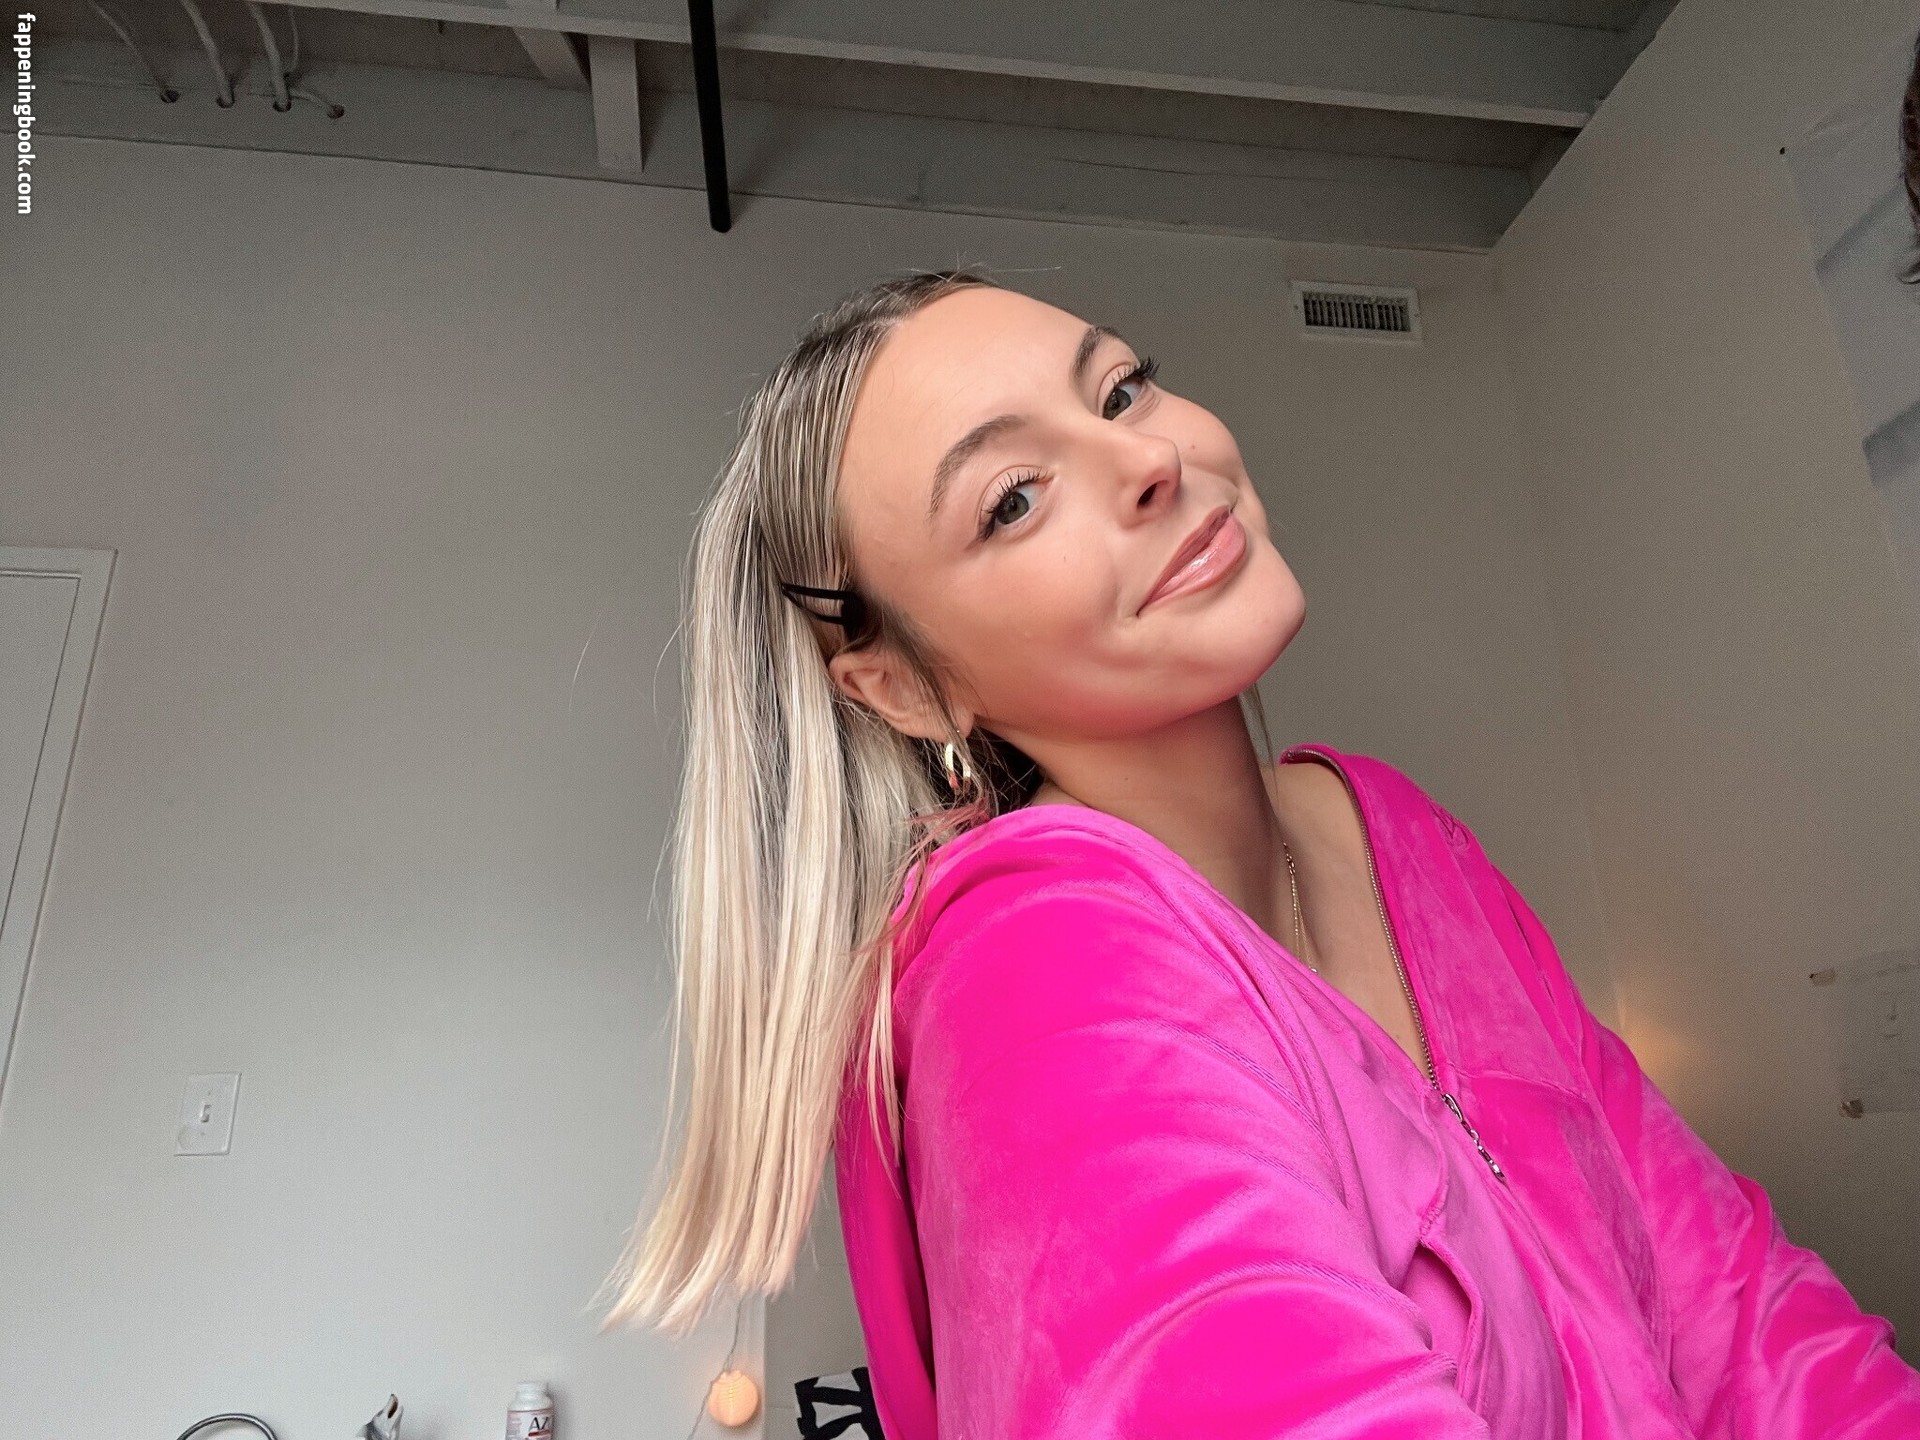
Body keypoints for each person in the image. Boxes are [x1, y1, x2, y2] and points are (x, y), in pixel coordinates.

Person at [596, 267, 1920, 1437]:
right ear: (903, 688)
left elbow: (1737, 1304)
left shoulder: (1393, 827)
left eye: (1120, 390)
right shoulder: (1032, 975)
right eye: (1013, 499)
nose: (1147, 458)